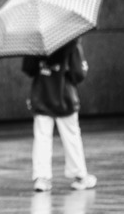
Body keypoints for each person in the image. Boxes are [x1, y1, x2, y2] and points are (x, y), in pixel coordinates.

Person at [22, 37, 97, 193]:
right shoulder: (71, 39)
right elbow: (78, 73)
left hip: (42, 95)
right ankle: (79, 176)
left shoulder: (34, 40)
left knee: (42, 137)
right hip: (65, 97)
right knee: (71, 136)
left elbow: (28, 68)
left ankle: (41, 178)